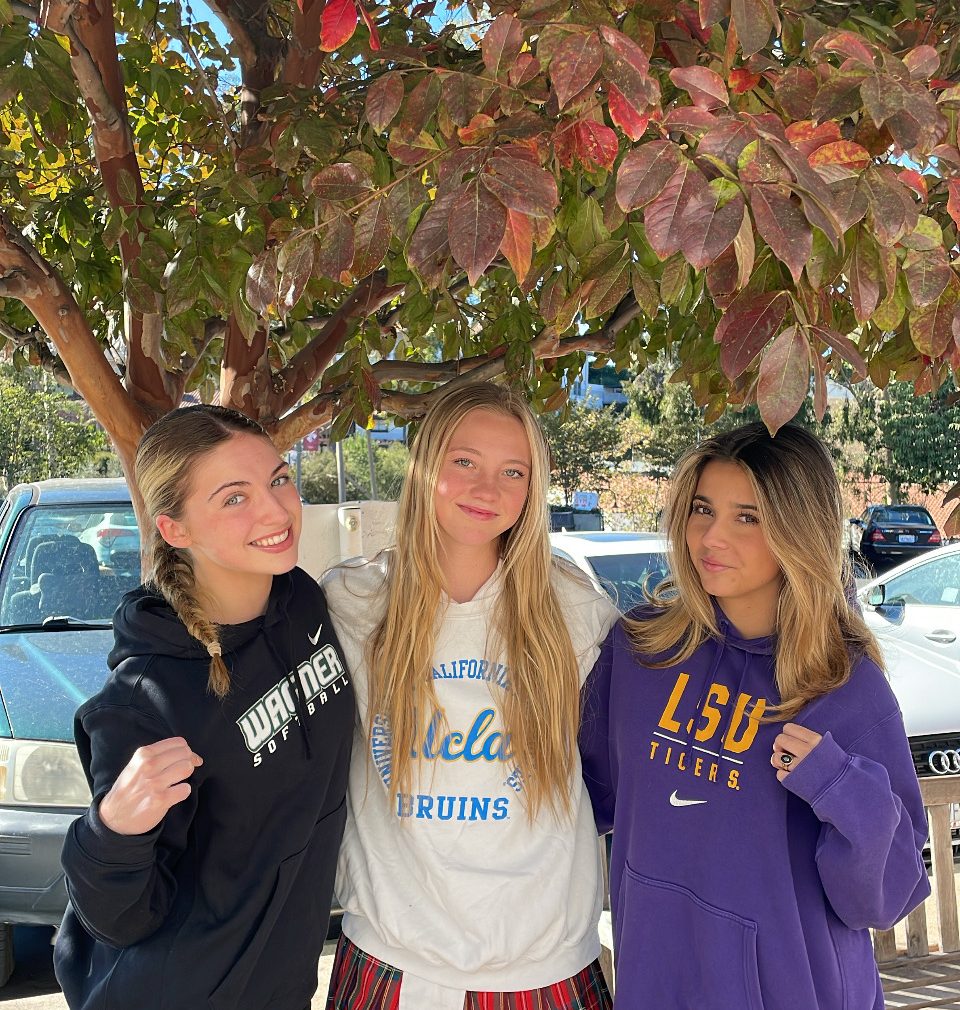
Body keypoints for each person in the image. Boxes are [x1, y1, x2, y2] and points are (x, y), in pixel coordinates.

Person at [580, 422, 930, 1010]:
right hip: (656, 983)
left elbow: (882, 899)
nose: (711, 537)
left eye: (748, 517)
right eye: (702, 509)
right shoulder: (642, 650)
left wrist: (839, 785)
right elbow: (582, 797)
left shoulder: (844, 686)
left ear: (798, 531)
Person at [322, 381, 618, 1010]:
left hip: (546, 961)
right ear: (426, 463)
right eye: (465, 462)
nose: (489, 490)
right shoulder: (353, 602)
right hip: (392, 957)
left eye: (513, 471)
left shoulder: (576, 610)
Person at [54, 405, 354, 1010]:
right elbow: (121, 918)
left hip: (282, 985)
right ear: (175, 529)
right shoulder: (144, 699)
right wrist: (110, 831)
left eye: (278, 479)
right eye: (234, 498)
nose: (276, 511)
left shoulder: (302, 604)